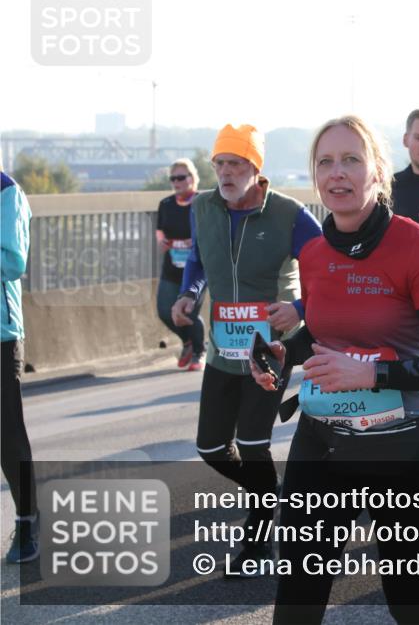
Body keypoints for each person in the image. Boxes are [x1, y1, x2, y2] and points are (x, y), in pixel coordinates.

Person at [251, 116, 419, 624]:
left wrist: (371, 375)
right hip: (323, 442)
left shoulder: (417, 247)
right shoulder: (312, 254)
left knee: (409, 606)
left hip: (404, 447)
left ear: (377, 171)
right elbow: (323, 335)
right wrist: (284, 356)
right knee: (296, 604)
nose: (338, 173)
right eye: (325, 162)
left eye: (352, 159)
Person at [170, 124, 322, 574]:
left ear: (257, 170)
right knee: (212, 447)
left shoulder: (290, 214)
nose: (226, 172)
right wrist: (188, 295)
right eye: (219, 163)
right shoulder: (203, 208)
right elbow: (198, 261)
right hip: (222, 348)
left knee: (254, 443)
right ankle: (273, 499)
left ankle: (257, 534)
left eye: (236, 164)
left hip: (269, 347)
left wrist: (297, 307)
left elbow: (325, 269)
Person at [1, 169, 37, 564]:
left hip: (1, 332)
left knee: (6, 434)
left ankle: (27, 520)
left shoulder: (6, 191)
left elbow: (12, 262)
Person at [156, 158, 205, 370]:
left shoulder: (202, 203)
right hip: (172, 266)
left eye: (181, 177)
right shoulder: (166, 204)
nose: (177, 182)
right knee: (165, 311)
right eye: (173, 178)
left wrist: (193, 242)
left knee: (189, 312)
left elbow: (211, 232)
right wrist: (163, 242)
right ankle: (187, 342)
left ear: (193, 179)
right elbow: (160, 232)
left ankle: (198, 352)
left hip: (197, 268)